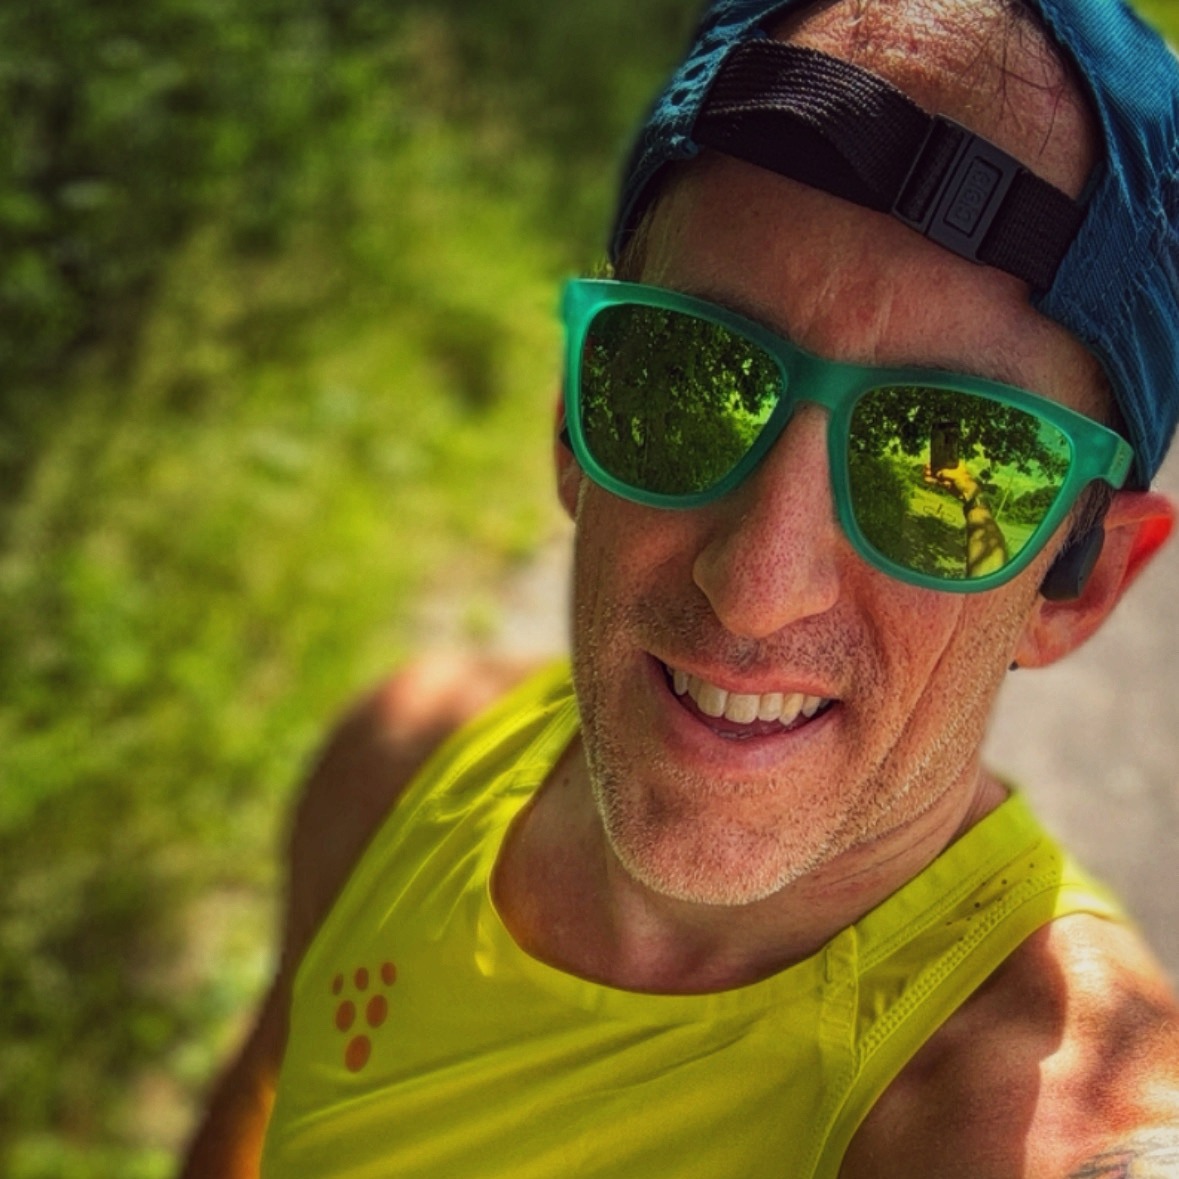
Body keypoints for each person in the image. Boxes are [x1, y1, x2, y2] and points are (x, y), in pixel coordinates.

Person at [180, 0, 1179, 1175]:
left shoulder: (1034, 1124)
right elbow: (256, 1103)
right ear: (573, 412)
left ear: (1079, 586)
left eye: (947, 464)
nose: (755, 586)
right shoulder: (397, 772)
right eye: (686, 378)